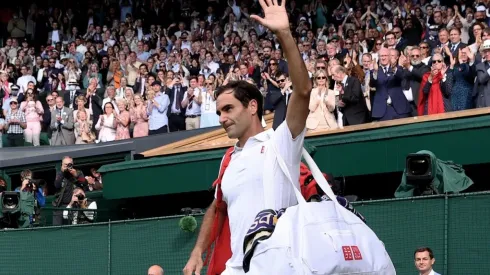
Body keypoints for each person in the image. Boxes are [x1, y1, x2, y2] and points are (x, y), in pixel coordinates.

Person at [183, 1, 313, 274]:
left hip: (281, 267)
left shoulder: (280, 143)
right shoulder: (228, 159)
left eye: (228, 109)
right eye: (219, 112)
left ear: (252, 106)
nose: (221, 118)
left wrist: (285, 35)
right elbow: (217, 207)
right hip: (237, 268)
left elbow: (302, 91)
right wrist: (197, 251)